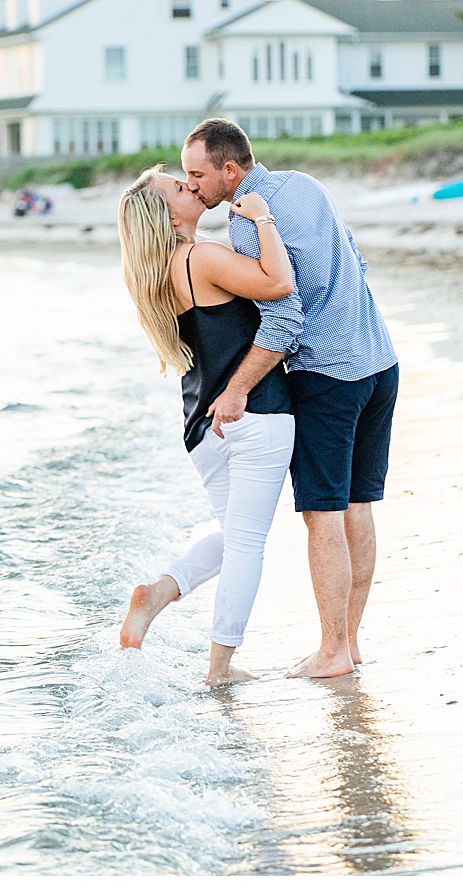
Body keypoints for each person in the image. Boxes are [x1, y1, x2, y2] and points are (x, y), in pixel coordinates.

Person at [180, 118, 399, 679]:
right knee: (358, 506)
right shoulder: (305, 184)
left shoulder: (248, 226)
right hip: (379, 362)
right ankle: (349, 643)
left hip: (329, 379)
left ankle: (331, 651)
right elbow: (355, 258)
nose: (193, 185)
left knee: (322, 514)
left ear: (231, 171)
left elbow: (283, 319)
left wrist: (235, 389)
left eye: (197, 174)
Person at [116, 164, 296, 688]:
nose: (191, 186)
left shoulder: (157, 277)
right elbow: (279, 283)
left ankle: (158, 594)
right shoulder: (199, 257)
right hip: (251, 412)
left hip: (202, 428)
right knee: (246, 544)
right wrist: (263, 219)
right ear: (170, 215)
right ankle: (219, 668)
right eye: (179, 186)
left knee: (236, 534)